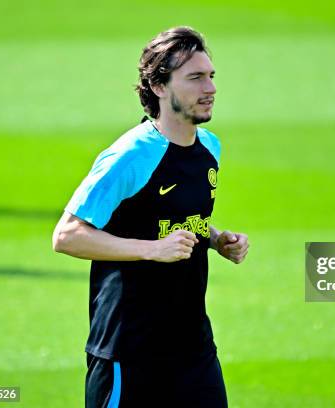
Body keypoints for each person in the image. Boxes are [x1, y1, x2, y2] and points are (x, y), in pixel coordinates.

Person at [52, 26, 249, 408]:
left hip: (193, 346)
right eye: (194, 78)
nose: (209, 88)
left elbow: (176, 216)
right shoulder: (130, 155)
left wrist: (216, 238)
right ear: (159, 86)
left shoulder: (209, 147)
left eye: (210, 76)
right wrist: (152, 250)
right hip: (130, 350)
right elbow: (67, 235)